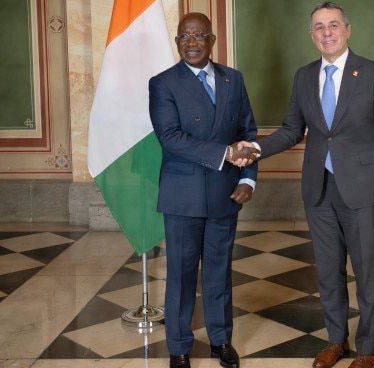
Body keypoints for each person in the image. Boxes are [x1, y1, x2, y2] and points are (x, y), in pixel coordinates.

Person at [235, 2, 374, 368]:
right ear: (311, 35)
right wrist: (255, 150)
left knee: (366, 274)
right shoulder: (304, 76)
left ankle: (367, 349)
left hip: (364, 191)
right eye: (318, 27)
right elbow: (292, 130)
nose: (326, 33)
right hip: (319, 189)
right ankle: (335, 341)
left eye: (333, 25)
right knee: (328, 272)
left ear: (347, 30)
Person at [148, 12, 259, 368]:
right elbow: (169, 138)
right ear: (177, 41)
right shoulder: (163, 83)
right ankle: (179, 346)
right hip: (182, 195)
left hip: (225, 193)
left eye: (198, 36)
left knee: (218, 270)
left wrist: (247, 178)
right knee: (180, 273)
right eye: (184, 36)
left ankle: (220, 339)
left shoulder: (233, 79)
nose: (191, 43)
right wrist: (225, 153)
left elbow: (248, 133)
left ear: (212, 40)